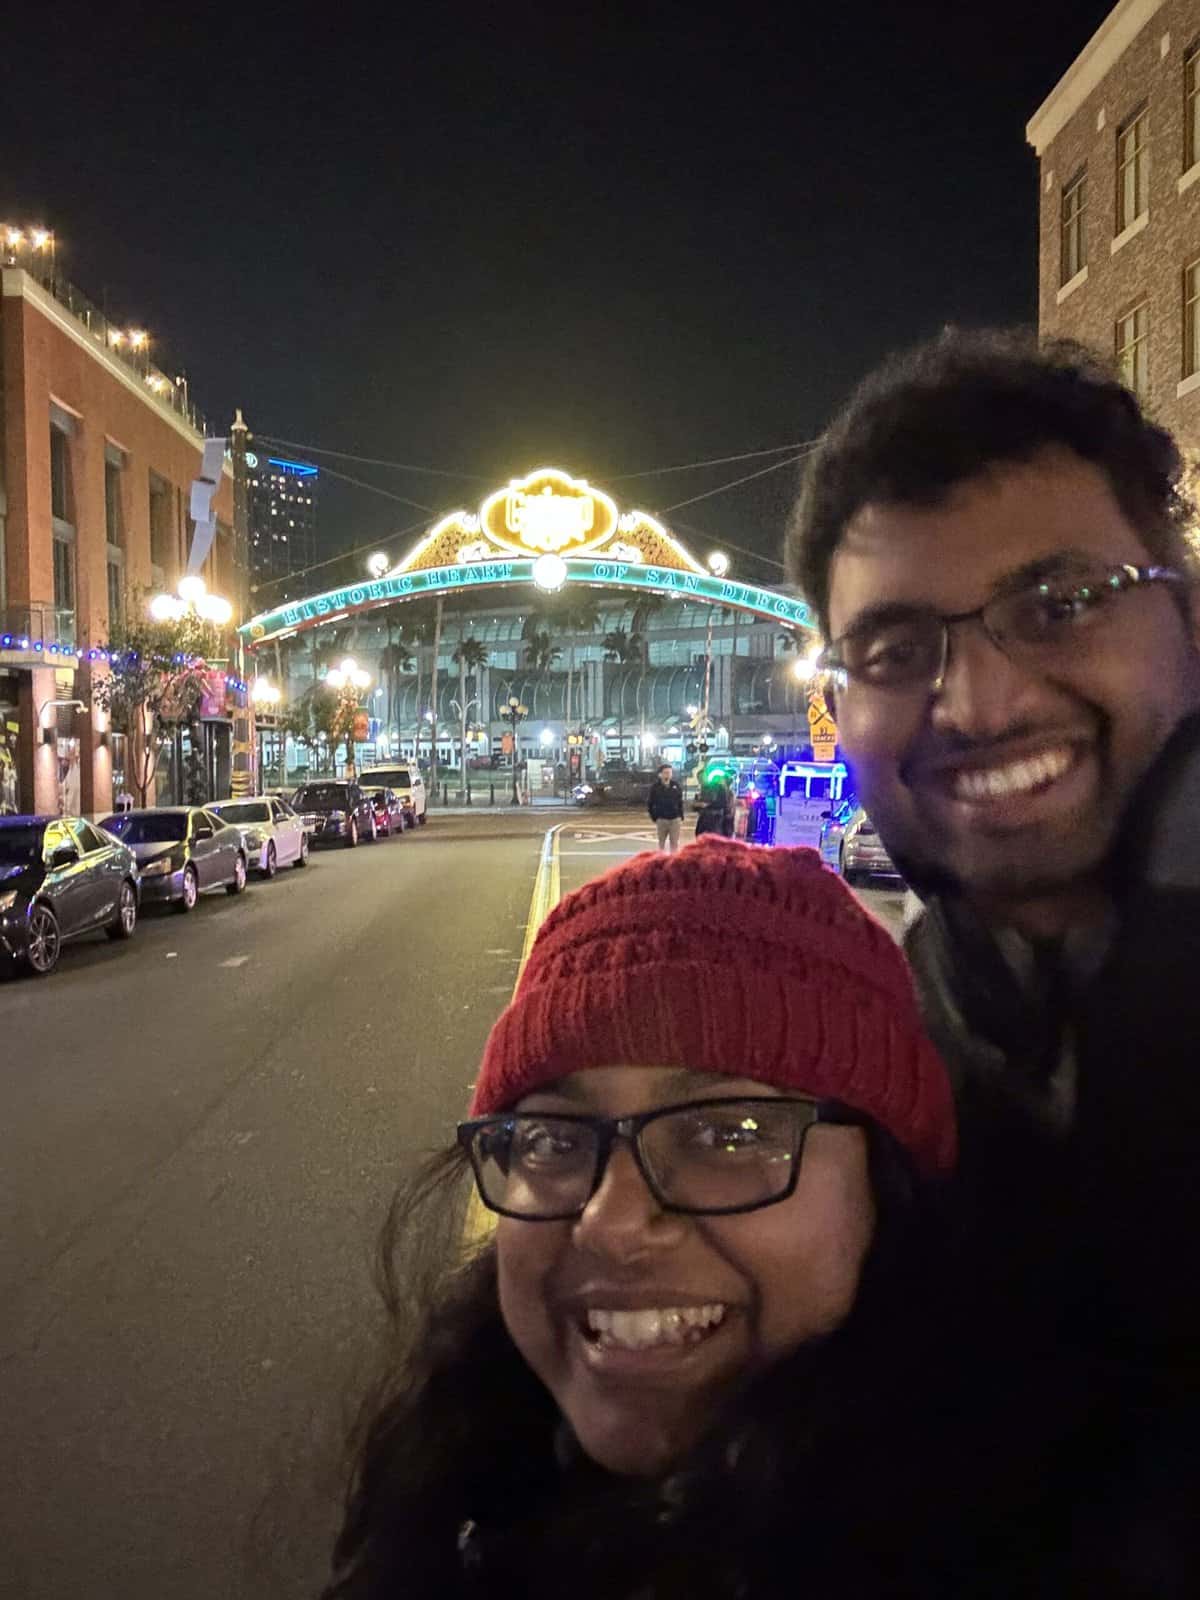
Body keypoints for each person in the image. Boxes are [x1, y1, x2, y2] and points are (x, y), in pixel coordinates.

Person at [322, 841, 1194, 1599]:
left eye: (729, 1133)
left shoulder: (1054, 1548)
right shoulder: (464, 1485)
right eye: (552, 1137)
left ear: (887, 1186)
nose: (612, 1223)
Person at [785, 327, 1200, 1360]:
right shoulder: (887, 1052)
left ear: (1189, 617)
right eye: (897, 651)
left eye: (1060, 606)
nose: (979, 704)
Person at [646, 762, 684, 851]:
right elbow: (650, 803)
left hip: (675, 819)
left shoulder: (676, 786)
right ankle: (661, 861)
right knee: (661, 843)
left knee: (674, 843)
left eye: (670, 772)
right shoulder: (655, 787)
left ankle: (673, 862)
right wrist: (654, 817)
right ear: (660, 774)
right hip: (661, 819)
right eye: (666, 772)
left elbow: (680, 801)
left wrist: (680, 816)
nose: (668, 774)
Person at [693, 774, 733, 838]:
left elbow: (725, 806)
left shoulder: (724, 791)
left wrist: (706, 805)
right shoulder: (705, 790)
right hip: (707, 819)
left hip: (717, 820)